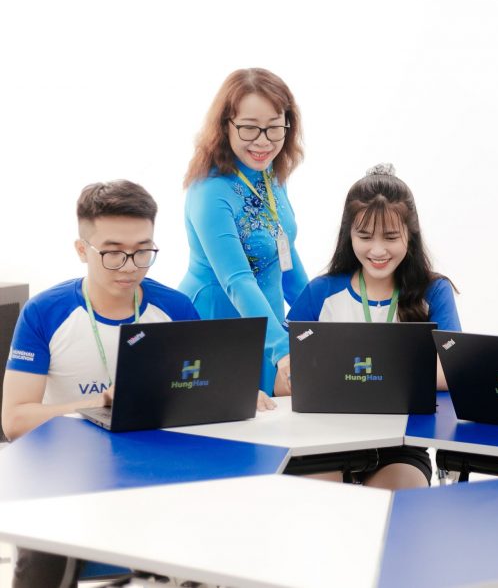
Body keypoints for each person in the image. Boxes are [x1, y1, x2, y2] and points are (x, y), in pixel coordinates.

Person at [1, 180, 199, 588]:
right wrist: (99, 407)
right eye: (112, 252)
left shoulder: (175, 308)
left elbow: (198, 391)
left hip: (155, 466)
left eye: (143, 250)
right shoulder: (45, 312)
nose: (130, 266)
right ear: (82, 250)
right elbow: (15, 420)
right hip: (66, 471)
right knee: (42, 547)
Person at [283, 164, 460, 489]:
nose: (377, 250)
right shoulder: (321, 291)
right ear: (348, 234)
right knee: (316, 504)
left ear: (411, 234)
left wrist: (347, 374)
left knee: (399, 504)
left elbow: (452, 370)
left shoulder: (434, 291)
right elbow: (283, 370)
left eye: (391, 237)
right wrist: (289, 373)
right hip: (324, 441)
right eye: (364, 237)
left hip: (401, 446)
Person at [180, 68, 307, 405]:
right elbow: (237, 279)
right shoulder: (209, 191)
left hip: (267, 323)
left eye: (274, 126)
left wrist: (321, 323)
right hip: (218, 323)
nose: (263, 141)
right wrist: (283, 351)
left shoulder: (270, 174)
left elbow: (284, 253)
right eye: (250, 127)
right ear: (226, 125)